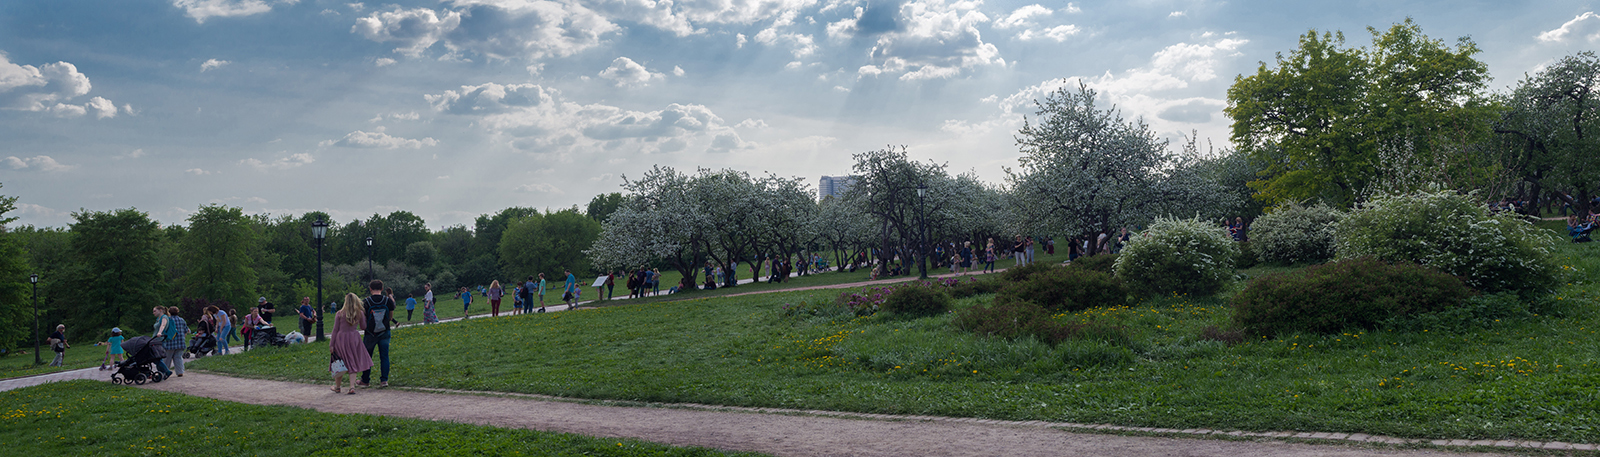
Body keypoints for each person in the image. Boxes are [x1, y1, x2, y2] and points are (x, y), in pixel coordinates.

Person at [329, 293, 375, 394]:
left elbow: (335, 330)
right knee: (352, 361)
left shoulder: (340, 313)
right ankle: (352, 387)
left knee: (339, 362)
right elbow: (363, 327)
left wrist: (331, 344)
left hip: (340, 339)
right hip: (354, 338)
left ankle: (337, 387)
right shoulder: (359, 313)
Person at [359, 279, 397, 388]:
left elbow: (363, 318)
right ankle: (384, 380)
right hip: (385, 331)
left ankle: (365, 380)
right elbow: (390, 317)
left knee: (368, 356)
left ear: (370, 289)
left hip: (370, 333)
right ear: (381, 288)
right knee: (384, 356)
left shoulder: (366, 302)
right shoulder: (387, 301)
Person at [163, 306, 190, 377]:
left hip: (170, 342)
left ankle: (165, 371)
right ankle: (180, 372)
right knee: (178, 357)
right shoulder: (182, 320)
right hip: (181, 342)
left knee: (167, 358)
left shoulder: (167, 320)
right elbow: (186, 330)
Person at [149, 307, 174, 378]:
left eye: (154, 311)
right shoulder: (158, 319)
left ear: (160, 310)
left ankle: (166, 372)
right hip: (156, 340)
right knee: (157, 358)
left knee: (157, 358)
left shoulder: (164, 317)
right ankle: (161, 374)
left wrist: (160, 332)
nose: (153, 313)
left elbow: (163, 325)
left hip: (160, 340)